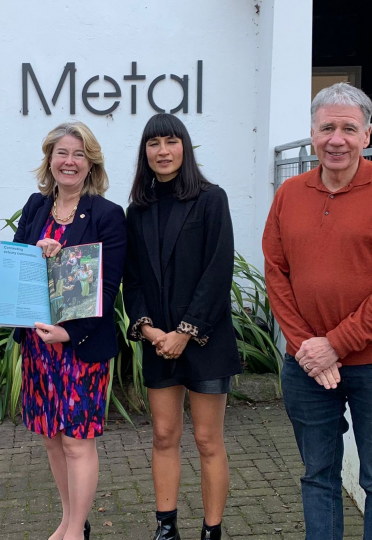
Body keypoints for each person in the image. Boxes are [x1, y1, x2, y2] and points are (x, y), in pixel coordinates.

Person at [262, 83, 372, 540]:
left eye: (348, 129)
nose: (337, 139)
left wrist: (335, 344)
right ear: (312, 134)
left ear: (367, 135)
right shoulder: (289, 194)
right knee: (318, 477)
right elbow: (277, 273)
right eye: (327, 127)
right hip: (307, 367)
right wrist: (306, 348)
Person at [123, 113, 241, 540]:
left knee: (208, 440)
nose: (163, 151)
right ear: (145, 153)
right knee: (163, 435)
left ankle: (212, 531)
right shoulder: (137, 211)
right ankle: (166, 528)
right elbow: (131, 279)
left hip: (205, 340)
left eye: (171, 142)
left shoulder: (212, 199)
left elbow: (217, 271)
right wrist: (150, 331)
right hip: (158, 343)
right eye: (154, 144)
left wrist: (186, 332)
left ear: (184, 147)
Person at [13, 122, 126, 540]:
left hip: (79, 347)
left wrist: (69, 334)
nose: (69, 161)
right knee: (52, 440)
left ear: (90, 162)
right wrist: (38, 258)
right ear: (49, 159)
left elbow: (108, 288)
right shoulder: (35, 207)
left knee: (78, 442)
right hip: (39, 348)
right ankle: (66, 518)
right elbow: (19, 272)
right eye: (62, 153)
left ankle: (77, 530)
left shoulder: (107, 215)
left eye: (79, 154)